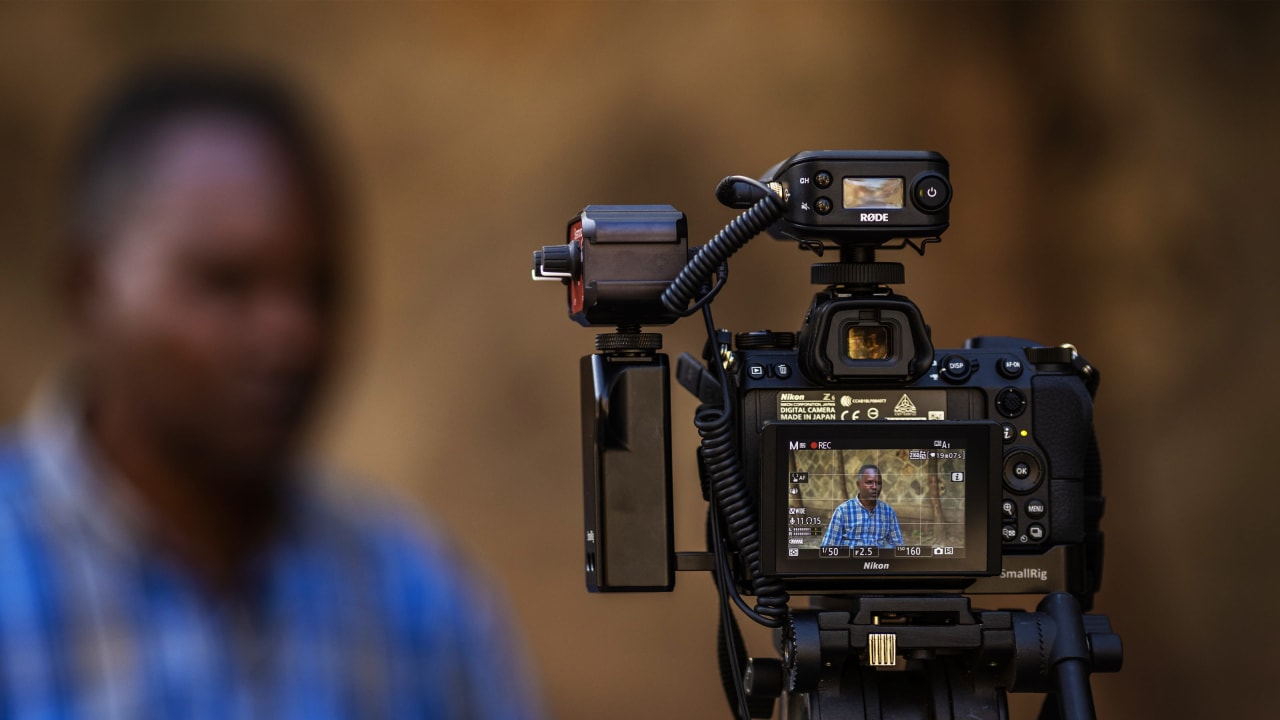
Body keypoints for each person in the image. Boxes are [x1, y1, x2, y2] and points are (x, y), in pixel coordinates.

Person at [0, 65, 539, 718]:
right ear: (87, 289)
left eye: (319, 290)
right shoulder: (16, 570)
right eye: (227, 284)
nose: (293, 337)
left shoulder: (419, 602)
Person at [820, 464, 904, 548]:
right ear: (858, 484)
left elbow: (898, 546)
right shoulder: (843, 511)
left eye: (878, 483)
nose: (874, 487)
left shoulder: (888, 512)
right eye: (869, 482)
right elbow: (828, 547)